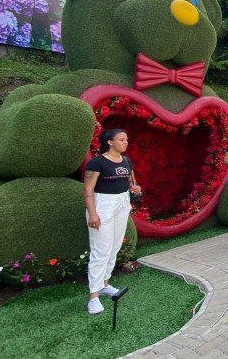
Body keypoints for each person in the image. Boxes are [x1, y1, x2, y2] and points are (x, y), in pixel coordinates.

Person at [83, 129, 141, 315]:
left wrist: (134, 188)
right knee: (101, 249)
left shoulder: (126, 161)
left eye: (126, 139)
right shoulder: (97, 162)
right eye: (121, 139)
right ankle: (93, 296)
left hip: (122, 202)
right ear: (110, 142)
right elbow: (88, 191)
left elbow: (131, 182)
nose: (125, 142)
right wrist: (93, 214)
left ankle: (105, 284)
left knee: (114, 246)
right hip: (103, 204)